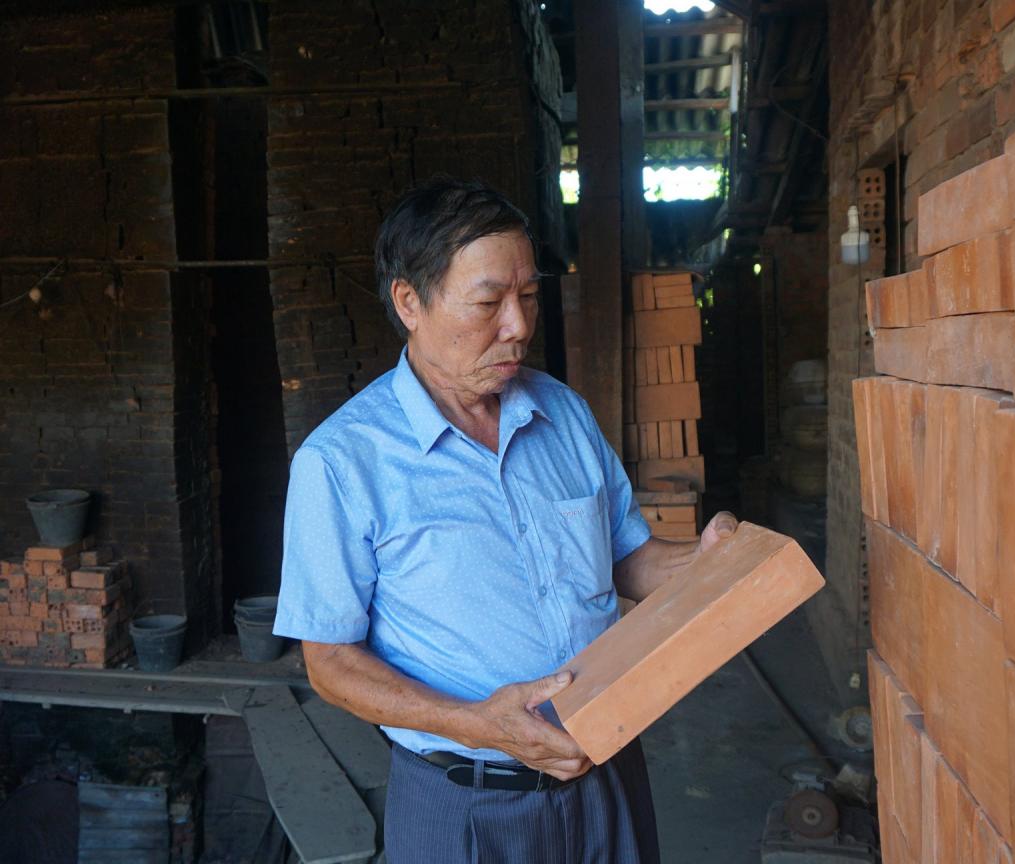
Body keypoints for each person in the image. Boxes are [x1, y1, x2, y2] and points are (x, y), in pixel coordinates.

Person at [273, 176, 739, 863]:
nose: (518, 325)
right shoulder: (343, 463)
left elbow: (622, 556)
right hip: (464, 801)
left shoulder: (564, 415)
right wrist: (477, 724)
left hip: (606, 768)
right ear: (410, 302)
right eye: (489, 301)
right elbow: (330, 662)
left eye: (527, 297)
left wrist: (706, 560)